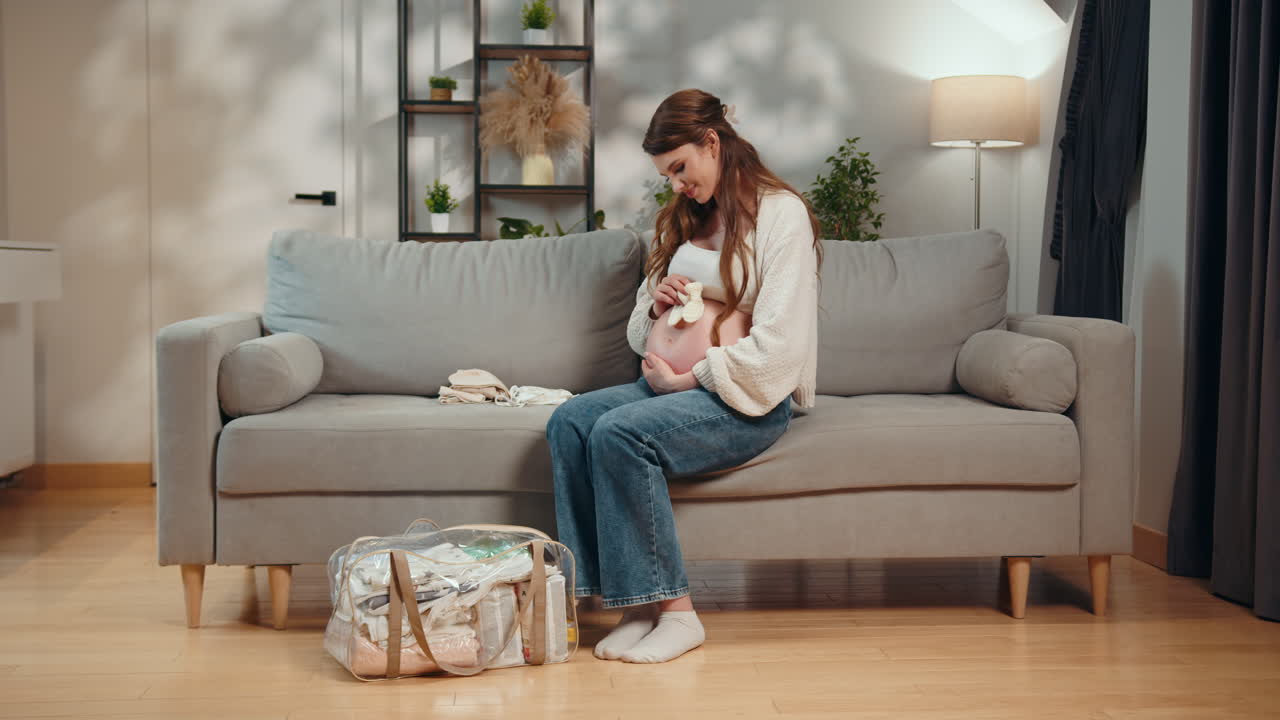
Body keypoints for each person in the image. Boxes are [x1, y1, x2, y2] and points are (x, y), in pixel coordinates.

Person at [545, 88, 823, 664]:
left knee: (620, 433)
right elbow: (637, 337)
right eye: (667, 174)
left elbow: (780, 350)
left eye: (680, 167)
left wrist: (692, 378)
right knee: (571, 421)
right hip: (671, 385)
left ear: (712, 143)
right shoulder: (684, 218)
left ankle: (675, 613)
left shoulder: (780, 215)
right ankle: (632, 605)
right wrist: (656, 305)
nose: (676, 184)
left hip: (747, 398)